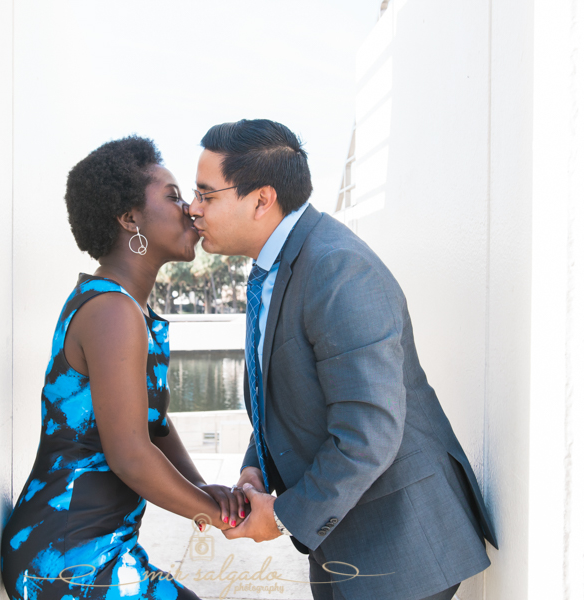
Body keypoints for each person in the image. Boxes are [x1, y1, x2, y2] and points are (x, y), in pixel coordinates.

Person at [189, 119, 499, 600]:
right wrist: (258, 466)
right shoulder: (276, 265)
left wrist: (286, 516)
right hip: (346, 535)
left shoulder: (337, 267)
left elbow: (369, 430)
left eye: (206, 195)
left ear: (261, 199)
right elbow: (285, 387)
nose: (193, 209)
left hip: (401, 545)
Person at [0, 136, 245, 600]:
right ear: (129, 217)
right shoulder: (112, 311)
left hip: (99, 546)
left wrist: (202, 488)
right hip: (66, 555)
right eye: (173, 196)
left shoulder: (129, 308)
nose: (191, 209)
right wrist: (216, 516)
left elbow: (154, 425)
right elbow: (130, 454)